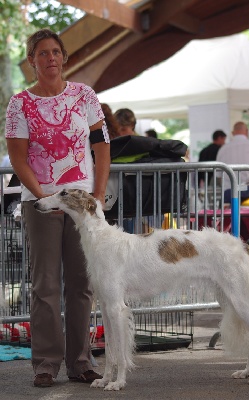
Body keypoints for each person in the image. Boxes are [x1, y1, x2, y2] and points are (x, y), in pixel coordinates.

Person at [5, 28, 110, 388]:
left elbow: (101, 147)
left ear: (64, 57)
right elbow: (18, 158)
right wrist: (42, 198)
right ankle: (46, 364)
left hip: (84, 205)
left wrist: (97, 194)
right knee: (45, 284)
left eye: (55, 52)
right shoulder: (19, 103)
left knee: (82, 283)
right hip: (41, 202)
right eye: (42, 53)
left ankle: (81, 362)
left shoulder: (85, 96)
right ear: (32, 61)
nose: (50, 59)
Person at [216, 121, 249, 191]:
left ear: (233, 133)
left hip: (231, 191)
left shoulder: (223, 149)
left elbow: (219, 175)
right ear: (247, 131)